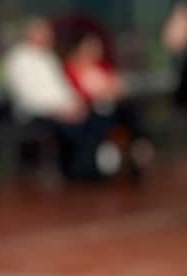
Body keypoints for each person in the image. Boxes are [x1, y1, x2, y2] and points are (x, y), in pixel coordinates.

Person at [3, 18, 113, 178]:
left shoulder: (48, 58)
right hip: (37, 113)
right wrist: (59, 110)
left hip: (62, 109)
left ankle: (91, 166)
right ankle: (79, 169)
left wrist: (75, 104)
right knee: (73, 128)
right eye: (44, 33)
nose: (49, 37)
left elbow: (63, 88)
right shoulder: (18, 59)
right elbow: (29, 97)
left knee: (96, 119)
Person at [62, 31, 154, 175]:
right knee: (118, 113)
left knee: (130, 107)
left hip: (112, 107)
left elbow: (118, 87)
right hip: (91, 111)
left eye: (97, 47)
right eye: (91, 46)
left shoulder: (102, 66)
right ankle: (132, 148)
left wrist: (108, 91)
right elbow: (77, 94)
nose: (96, 50)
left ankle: (139, 144)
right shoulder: (71, 68)